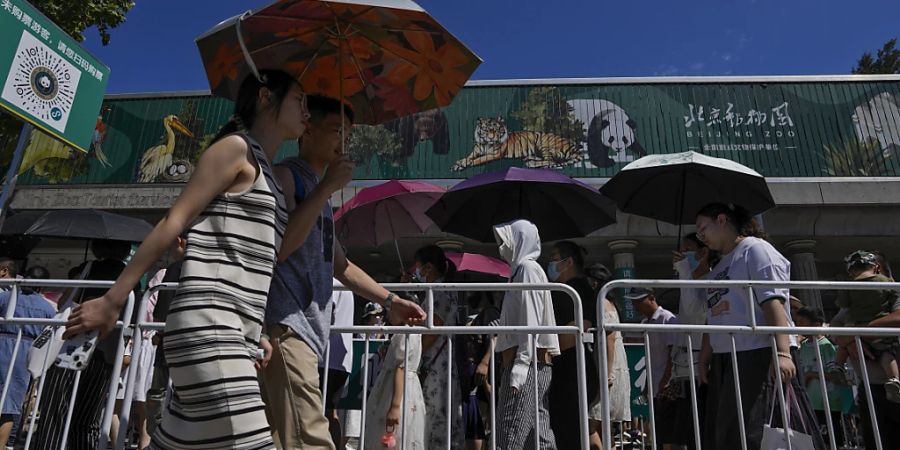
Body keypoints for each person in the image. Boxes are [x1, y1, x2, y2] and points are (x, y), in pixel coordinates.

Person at [65, 69, 311, 449]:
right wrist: (114, 299)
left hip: (232, 330)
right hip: (208, 323)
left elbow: (261, 257)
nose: (306, 110)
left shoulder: (274, 179)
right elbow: (173, 219)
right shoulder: (235, 149)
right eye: (299, 99)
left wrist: (254, 330)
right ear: (266, 97)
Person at [262, 95, 426, 449]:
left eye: (348, 134)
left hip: (309, 334)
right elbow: (278, 248)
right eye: (336, 130)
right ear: (306, 129)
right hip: (287, 326)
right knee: (312, 439)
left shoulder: (321, 194)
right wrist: (324, 189)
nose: (344, 141)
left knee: (276, 437)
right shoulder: (286, 178)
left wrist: (391, 300)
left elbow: (343, 266)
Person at [694, 202, 824, 450]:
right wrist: (703, 359)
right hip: (726, 358)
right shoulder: (717, 267)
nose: (702, 237)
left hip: (759, 353)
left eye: (703, 229)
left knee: (758, 431)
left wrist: (783, 353)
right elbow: (713, 318)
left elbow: (773, 302)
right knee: (730, 433)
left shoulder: (755, 249)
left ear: (722, 220)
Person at [31, 239, 133, 450]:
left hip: (72, 346)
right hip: (107, 352)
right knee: (87, 417)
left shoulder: (89, 269)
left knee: (55, 411)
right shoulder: (131, 277)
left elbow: (64, 303)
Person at [492, 219, 560, 450]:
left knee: (509, 435)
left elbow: (530, 318)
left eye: (506, 240)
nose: (502, 246)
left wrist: (520, 366)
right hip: (533, 363)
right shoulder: (522, 270)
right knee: (538, 438)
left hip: (526, 363)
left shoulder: (527, 269)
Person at [409, 245, 465, 450]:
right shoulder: (438, 291)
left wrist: (415, 356)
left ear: (428, 268)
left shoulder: (439, 292)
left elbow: (433, 330)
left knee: (437, 418)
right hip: (439, 364)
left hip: (436, 366)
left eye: (418, 268)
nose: (417, 273)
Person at [545, 241, 597, 450]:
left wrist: (547, 348)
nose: (550, 264)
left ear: (569, 262)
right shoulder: (561, 290)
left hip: (574, 374)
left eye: (554, 258)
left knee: (569, 435)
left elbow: (580, 327)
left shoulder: (580, 289)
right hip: (564, 374)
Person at [830, 250, 900, 401]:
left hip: (857, 329)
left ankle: (838, 366)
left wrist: (855, 333)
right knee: (887, 354)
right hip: (868, 384)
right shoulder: (888, 286)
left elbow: (898, 318)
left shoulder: (849, 288)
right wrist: (851, 341)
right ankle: (894, 379)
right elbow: (835, 327)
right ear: (875, 268)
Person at [0, 266, 55, 447]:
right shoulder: (48, 309)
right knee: (10, 406)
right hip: (25, 354)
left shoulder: (6, 297)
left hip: (2, 344)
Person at [625, 288, 680, 449]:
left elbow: (673, 351)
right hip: (656, 386)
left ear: (651, 298)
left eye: (638, 301)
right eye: (633, 302)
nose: (636, 306)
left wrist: (666, 379)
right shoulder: (646, 323)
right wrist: (648, 386)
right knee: (656, 429)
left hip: (668, 386)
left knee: (667, 430)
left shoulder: (667, 318)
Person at [794, 307, 854, 446]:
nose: (799, 327)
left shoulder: (827, 347)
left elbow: (835, 375)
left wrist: (810, 375)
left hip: (827, 402)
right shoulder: (802, 346)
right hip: (809, 402)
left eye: (802, 323)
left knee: (829, 439)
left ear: (816, 325)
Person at [145, 235, 186, 437]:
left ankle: (157, 433)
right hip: (197, 340)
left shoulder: (176, 268)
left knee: (159, 390)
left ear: (181, 242)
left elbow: (161, 310)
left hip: (170, 338)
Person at [364, 330, 426, 450]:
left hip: (397, 390)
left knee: (394, 432)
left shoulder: (406, 332)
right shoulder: (414, 332)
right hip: (408, 387)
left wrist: (395, 406)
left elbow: (401, 367)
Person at [318, 279, 355, 447]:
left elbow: (324, 311)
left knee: (321, 412)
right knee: (330, 412)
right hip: (340, 360)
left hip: (327, 358)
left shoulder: (330, 281)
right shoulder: (345, 286)